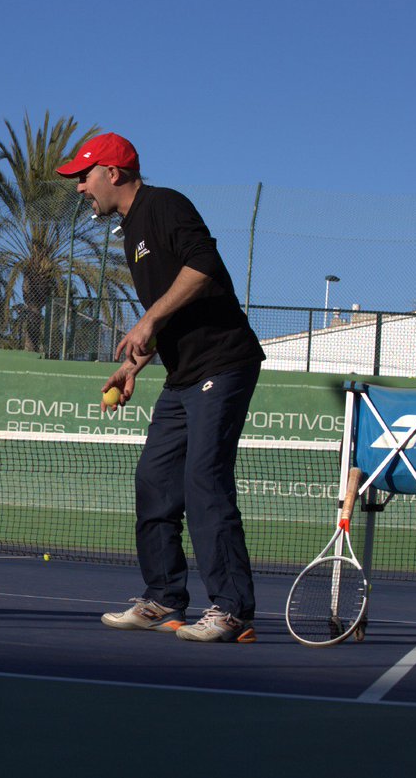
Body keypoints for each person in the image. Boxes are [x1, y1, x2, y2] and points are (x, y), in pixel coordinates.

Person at [56, 134, 265, 642]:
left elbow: (204, 268)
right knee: (154, 478)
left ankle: (232, 609)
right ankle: (163, 598)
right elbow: (174, 314)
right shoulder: (131, 232)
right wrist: (136, 366)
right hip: (182, 375)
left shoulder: (164, 205)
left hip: (225, 363)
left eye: (85, 175)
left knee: (203, 481)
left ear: (115, 172)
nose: (80, 186)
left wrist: (146, 320)